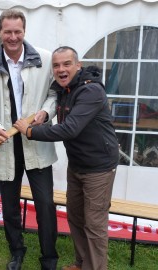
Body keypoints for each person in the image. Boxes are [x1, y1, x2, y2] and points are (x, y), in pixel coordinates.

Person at [14, 46, 119, 270]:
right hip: (77, 164)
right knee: (76, 218)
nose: (61, 69)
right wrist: (43, 112)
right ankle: (82, 263)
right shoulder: (65, 89)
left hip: (99, 167)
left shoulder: (91, 92)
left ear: (78, 66)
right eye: (56, 65)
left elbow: (69, 129)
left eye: (67, 64)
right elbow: (50, 98)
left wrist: (29, 131)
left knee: (94, 224)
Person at [0, 9, 59, 270]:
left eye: (18, 31)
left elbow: (55, 93)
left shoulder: (45, 59)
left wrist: (46, 111)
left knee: (45, 204)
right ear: (0, 32)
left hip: (36, 143)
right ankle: (17, 251)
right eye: (8, 32)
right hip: (5, 145)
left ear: (24, 31)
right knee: (9, 206)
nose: (13, 37)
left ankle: (49, 257)